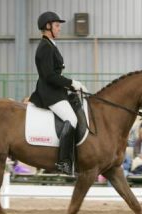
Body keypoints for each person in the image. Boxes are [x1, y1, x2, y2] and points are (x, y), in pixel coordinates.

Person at [29, 11, 87, 174]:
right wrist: (71, 83)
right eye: (57, 25)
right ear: (48, 27)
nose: (59, 28)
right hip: (50, 93)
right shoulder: (45, 47)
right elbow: (49, 76)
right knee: (72, 120)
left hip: (56, 91)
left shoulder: (50, 45)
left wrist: (70, 86)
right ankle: (64, 162)